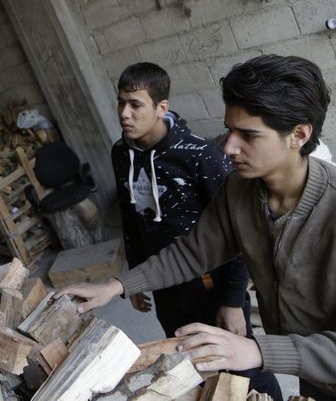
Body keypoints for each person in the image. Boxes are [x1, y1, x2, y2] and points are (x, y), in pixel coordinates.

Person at [58, 55, 335, 400]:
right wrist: (117, 285)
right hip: (312, 375)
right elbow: (192, 252)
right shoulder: (240, 191)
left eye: (248, 135)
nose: (230, 147)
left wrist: (257, 350)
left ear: (299, 134)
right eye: (230, 130)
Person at [112, 62, 280, 397]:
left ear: (162, 108)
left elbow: (239, 231)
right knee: (190, 364)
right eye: (120, 103)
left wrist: (232, 300)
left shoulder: (200, 155)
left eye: (135, 104)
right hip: (163, 282)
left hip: (210, 283)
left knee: (242, 369)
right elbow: (131, 218)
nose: (125, 114)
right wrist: (134, 277)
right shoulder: (120, 154)